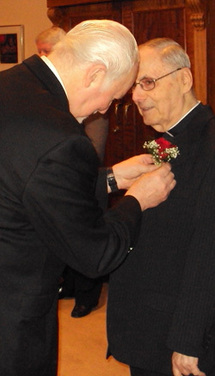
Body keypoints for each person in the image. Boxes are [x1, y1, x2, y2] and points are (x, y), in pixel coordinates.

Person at [0, 21, 175, 376]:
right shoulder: (60, 137)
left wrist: (111, 178)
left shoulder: (13, 83)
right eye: (112, 98)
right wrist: (137, 199)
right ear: (95, 74)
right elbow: (94, 254)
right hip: (12, 311)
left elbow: (29, 182)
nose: (103, 110)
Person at [107, 37, 215, 376]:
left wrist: (187, 339)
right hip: (146, 323)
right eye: (133, 86)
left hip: (179, 333)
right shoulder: (163, 141)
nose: (136, 96)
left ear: (184, 80)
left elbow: (208, 250)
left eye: (148, 82)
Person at [35, 26, 107, 318]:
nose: (41, 58)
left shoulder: (91, 103)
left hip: (89, 177)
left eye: (45, 52)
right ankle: (72, 286)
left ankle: (87, 295)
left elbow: (94, 151)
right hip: (67, 178)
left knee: (87, 235)